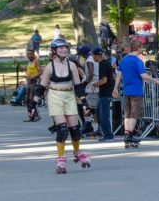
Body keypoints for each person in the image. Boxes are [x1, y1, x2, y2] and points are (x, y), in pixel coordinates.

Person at [38, 39, 88, 173]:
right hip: (55, 96)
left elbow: (78, 85)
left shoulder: (72, 65)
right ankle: (60, 158)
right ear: (54, 50)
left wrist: (83, 101)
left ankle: (77, 152)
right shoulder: (50, 67)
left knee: (75, 129)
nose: (64, 50)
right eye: (60, 48)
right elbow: (42, 85)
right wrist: (33, 103)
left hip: (69, 95)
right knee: (62, 129)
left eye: (65, 48)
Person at [114, 39, 159, 148]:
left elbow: (119, 75)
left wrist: (115, 88)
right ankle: (129, 134)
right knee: (135, 113)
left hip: (126, 90)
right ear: (138, 48)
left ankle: (126, 133)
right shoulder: (137, 61)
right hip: (136, 90)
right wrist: (155, 80)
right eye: (141, 47)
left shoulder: (124, 60)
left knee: (127, 114)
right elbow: (143, 75)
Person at [92, 47, 115, 141]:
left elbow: (104, 80)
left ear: (97, 55)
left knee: (104, 115)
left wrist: (95, 84)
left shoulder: (103, 64)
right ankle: (103, 132)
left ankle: (108, 135)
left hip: (106, 93)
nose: (93, 57)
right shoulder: (106, 63)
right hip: (105, 92)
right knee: (98, 112)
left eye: (93, 55)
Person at [23, 49, 42, 121]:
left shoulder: (36, 61)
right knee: (27, 100)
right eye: (28, 54)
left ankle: (36, 115)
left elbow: (40, 71)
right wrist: (17, 63)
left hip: (34, 82)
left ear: (34, 54)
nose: (29, 55)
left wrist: (33, 76)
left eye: (30, 54)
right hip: (29, 82)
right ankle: (30, 115)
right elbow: (24, 69)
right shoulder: (29, 62)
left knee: (31, 99)